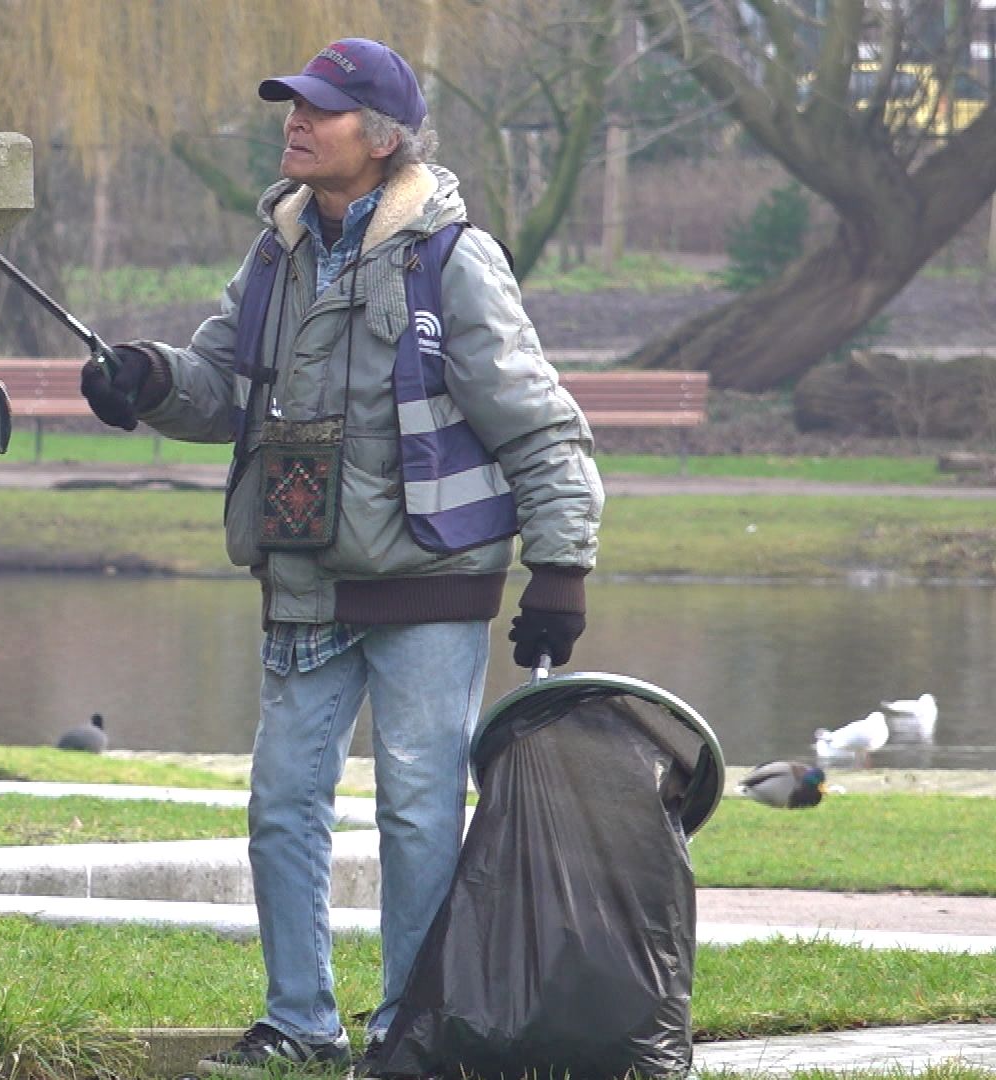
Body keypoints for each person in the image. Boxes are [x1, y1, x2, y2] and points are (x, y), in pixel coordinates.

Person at [78, 38, 604, 1077]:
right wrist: (144, 380)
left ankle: (409, 1033)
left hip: (431, 586)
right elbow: (222, 385)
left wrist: (561, 566)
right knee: (281, 806)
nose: (296, 121)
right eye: (292, 105)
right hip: (301, 582)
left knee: (416, 814)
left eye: (321, 108)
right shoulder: (274, 252)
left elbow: (541, 425)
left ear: (385, 135)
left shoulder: (456, 259)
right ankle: (297, 1025)